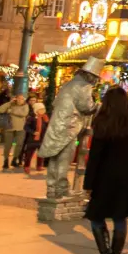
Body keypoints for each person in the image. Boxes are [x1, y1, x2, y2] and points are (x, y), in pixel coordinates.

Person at [84, 86, 128, 254]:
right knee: (120, 217)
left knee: (96, 216)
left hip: (104, 176)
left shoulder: (102, 120)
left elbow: (95, 155)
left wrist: (89, 183)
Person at [39, 59, 100, 199]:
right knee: (65, 158)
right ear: (91, 75)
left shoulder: (68, 84)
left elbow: (55, 103)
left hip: (57, 124)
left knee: (55, 156)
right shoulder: (84, 86)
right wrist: (99, 106)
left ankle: (51, 188)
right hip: (69, 126)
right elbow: (87, 107)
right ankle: (61, 188)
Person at [0, 94, 29, 169]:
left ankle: (14, 160)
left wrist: (11, 111)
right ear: (15, 99)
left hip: (21, 128)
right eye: (19, 98)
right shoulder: (10, 104)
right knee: (7, 145)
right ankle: (5, 161)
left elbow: (24, 114)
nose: (20, 100)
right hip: (9, 128)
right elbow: (0, 110)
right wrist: (9, 103)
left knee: (19, 144)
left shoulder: (25, 106)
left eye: (22, 99)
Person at [20, 101, 48, 175]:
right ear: (36, 110)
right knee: (29, 153)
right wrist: (33, 132)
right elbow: (26, 127)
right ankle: (26, 166)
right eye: (41, 109)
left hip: (42, 138)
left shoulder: (45, 117)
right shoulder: (31, 118)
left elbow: (47, 126)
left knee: (41, 153)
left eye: (44, 109)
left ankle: (39, 166)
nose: (43, 111)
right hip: (33, 139)